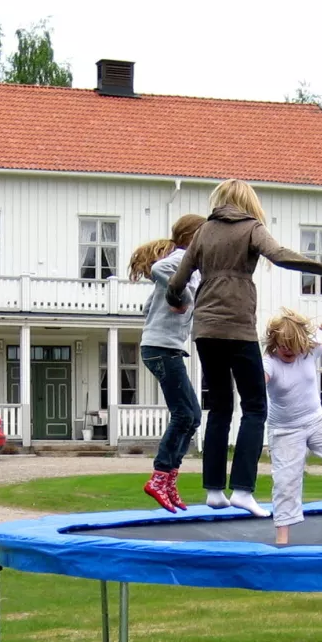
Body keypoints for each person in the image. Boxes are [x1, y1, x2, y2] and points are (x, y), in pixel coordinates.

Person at [166, 179, 322, 517]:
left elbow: (178, 281)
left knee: (219, 407)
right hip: (237, 328)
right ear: (248, 203)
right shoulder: (251, 227)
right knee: (254, 407)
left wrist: (176, 300)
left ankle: (214, 490)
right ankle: (244, 490)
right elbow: (280, 256)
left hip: (205, 330)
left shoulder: (204, 231)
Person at [262, 310, 322, 545]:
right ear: (275, 342)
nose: (288, 351)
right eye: (283, 346)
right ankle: (282, 540)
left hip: (316, 420)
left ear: (300, 343)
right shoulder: (269, 362)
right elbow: (259, 381)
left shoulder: (308, 351)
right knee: (286, 481)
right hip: (285, 429)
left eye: (292, 346)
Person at [130, 214, 207, 512]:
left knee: (194, 415)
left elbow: (147, 305)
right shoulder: (181, 258)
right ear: (193, 237)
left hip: (163, 348)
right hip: (160, 348)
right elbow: (158, 268)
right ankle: (160, 476)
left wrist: (168, 298)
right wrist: (184, 296)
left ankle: (170, 477)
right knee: (182, 414)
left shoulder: (192, 266)